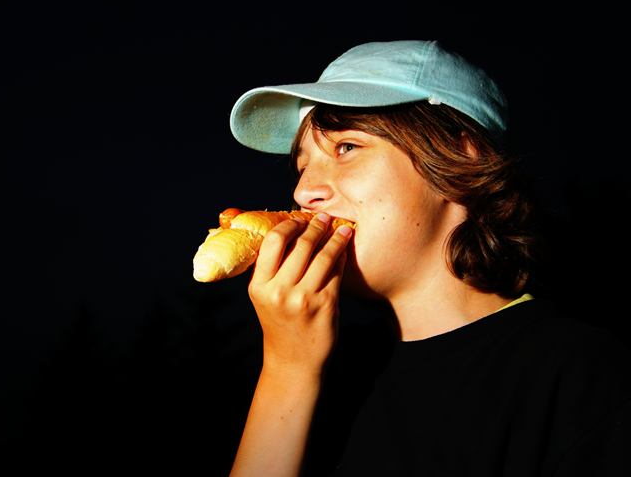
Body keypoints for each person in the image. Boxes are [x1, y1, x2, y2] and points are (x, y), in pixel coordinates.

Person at [224, 40, 631, 476]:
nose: (304, 192)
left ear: (459, 159)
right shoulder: (328, 371)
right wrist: (288, 370)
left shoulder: (581, 377)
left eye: (347, 148)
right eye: (303, 166)